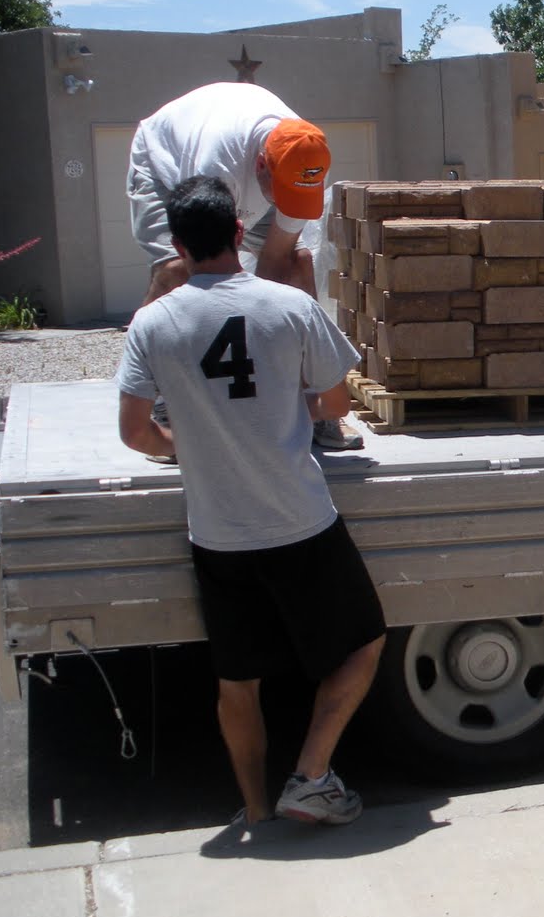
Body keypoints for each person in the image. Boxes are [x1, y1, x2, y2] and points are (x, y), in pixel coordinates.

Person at [116, 175, 386, 829]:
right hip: (300, 522)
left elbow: (133, 432)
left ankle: (259, 810)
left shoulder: (153, 322)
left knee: (237, 683)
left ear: (176, 245)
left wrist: (187, 443)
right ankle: (312, 774)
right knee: (364, 641)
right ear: (239, 233)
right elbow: (334, 403)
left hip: (218, 534)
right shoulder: (288, 307)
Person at [127, 81, 362, 450]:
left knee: (297, 263)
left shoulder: (307, 157)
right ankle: (160, 400)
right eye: (281, 190)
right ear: (260, 165)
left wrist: (272, 386)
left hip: (243, 172)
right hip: (165, 161)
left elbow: (272, 264)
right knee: (176, 271)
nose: (286, 203)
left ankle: (313, 407)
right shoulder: (216, 162)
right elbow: (210, 275)